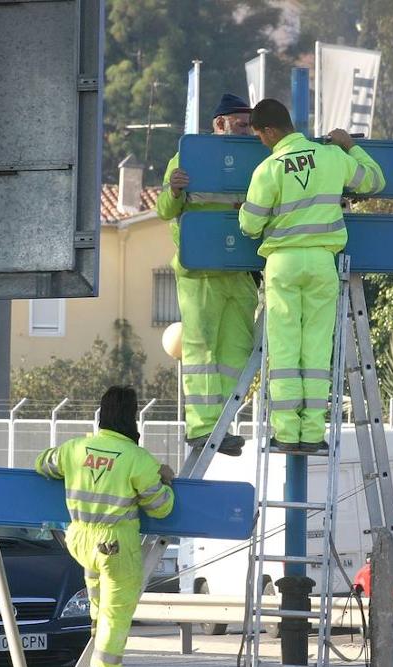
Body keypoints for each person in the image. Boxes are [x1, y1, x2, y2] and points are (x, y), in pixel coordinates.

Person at [238, 98, 385, 453]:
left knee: (286, 349)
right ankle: (313, 433)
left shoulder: (269, 168)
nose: (260, 141)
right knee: (318, 348)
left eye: (259, 134)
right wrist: (350, 145)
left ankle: (288, 434)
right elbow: (375, 181)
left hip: (283, 265)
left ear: (271, 131)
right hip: (323, 262)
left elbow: (249, 225)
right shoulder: (333, 157)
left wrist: (247, 211)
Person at [35, 386, 175, 667]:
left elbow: (43, 463)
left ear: (101, 415)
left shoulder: (75, 448)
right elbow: (161, 509)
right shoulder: (138, 460)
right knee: (115, 620)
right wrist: (166, 480)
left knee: (100, 615)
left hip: (81, 541)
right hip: (116, 547)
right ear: (133, 418)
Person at [156, 93, 260, 457]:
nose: (249, 131)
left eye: (251, 125)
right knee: (202, 350)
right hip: (199, 273)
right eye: (242, 124)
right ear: (220, 124)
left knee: (238, 353)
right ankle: (203, 428)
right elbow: (164, 209)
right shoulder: (187, 158)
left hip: (239, 272)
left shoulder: (255, 160)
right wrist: (173, 189)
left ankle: (222, 425)